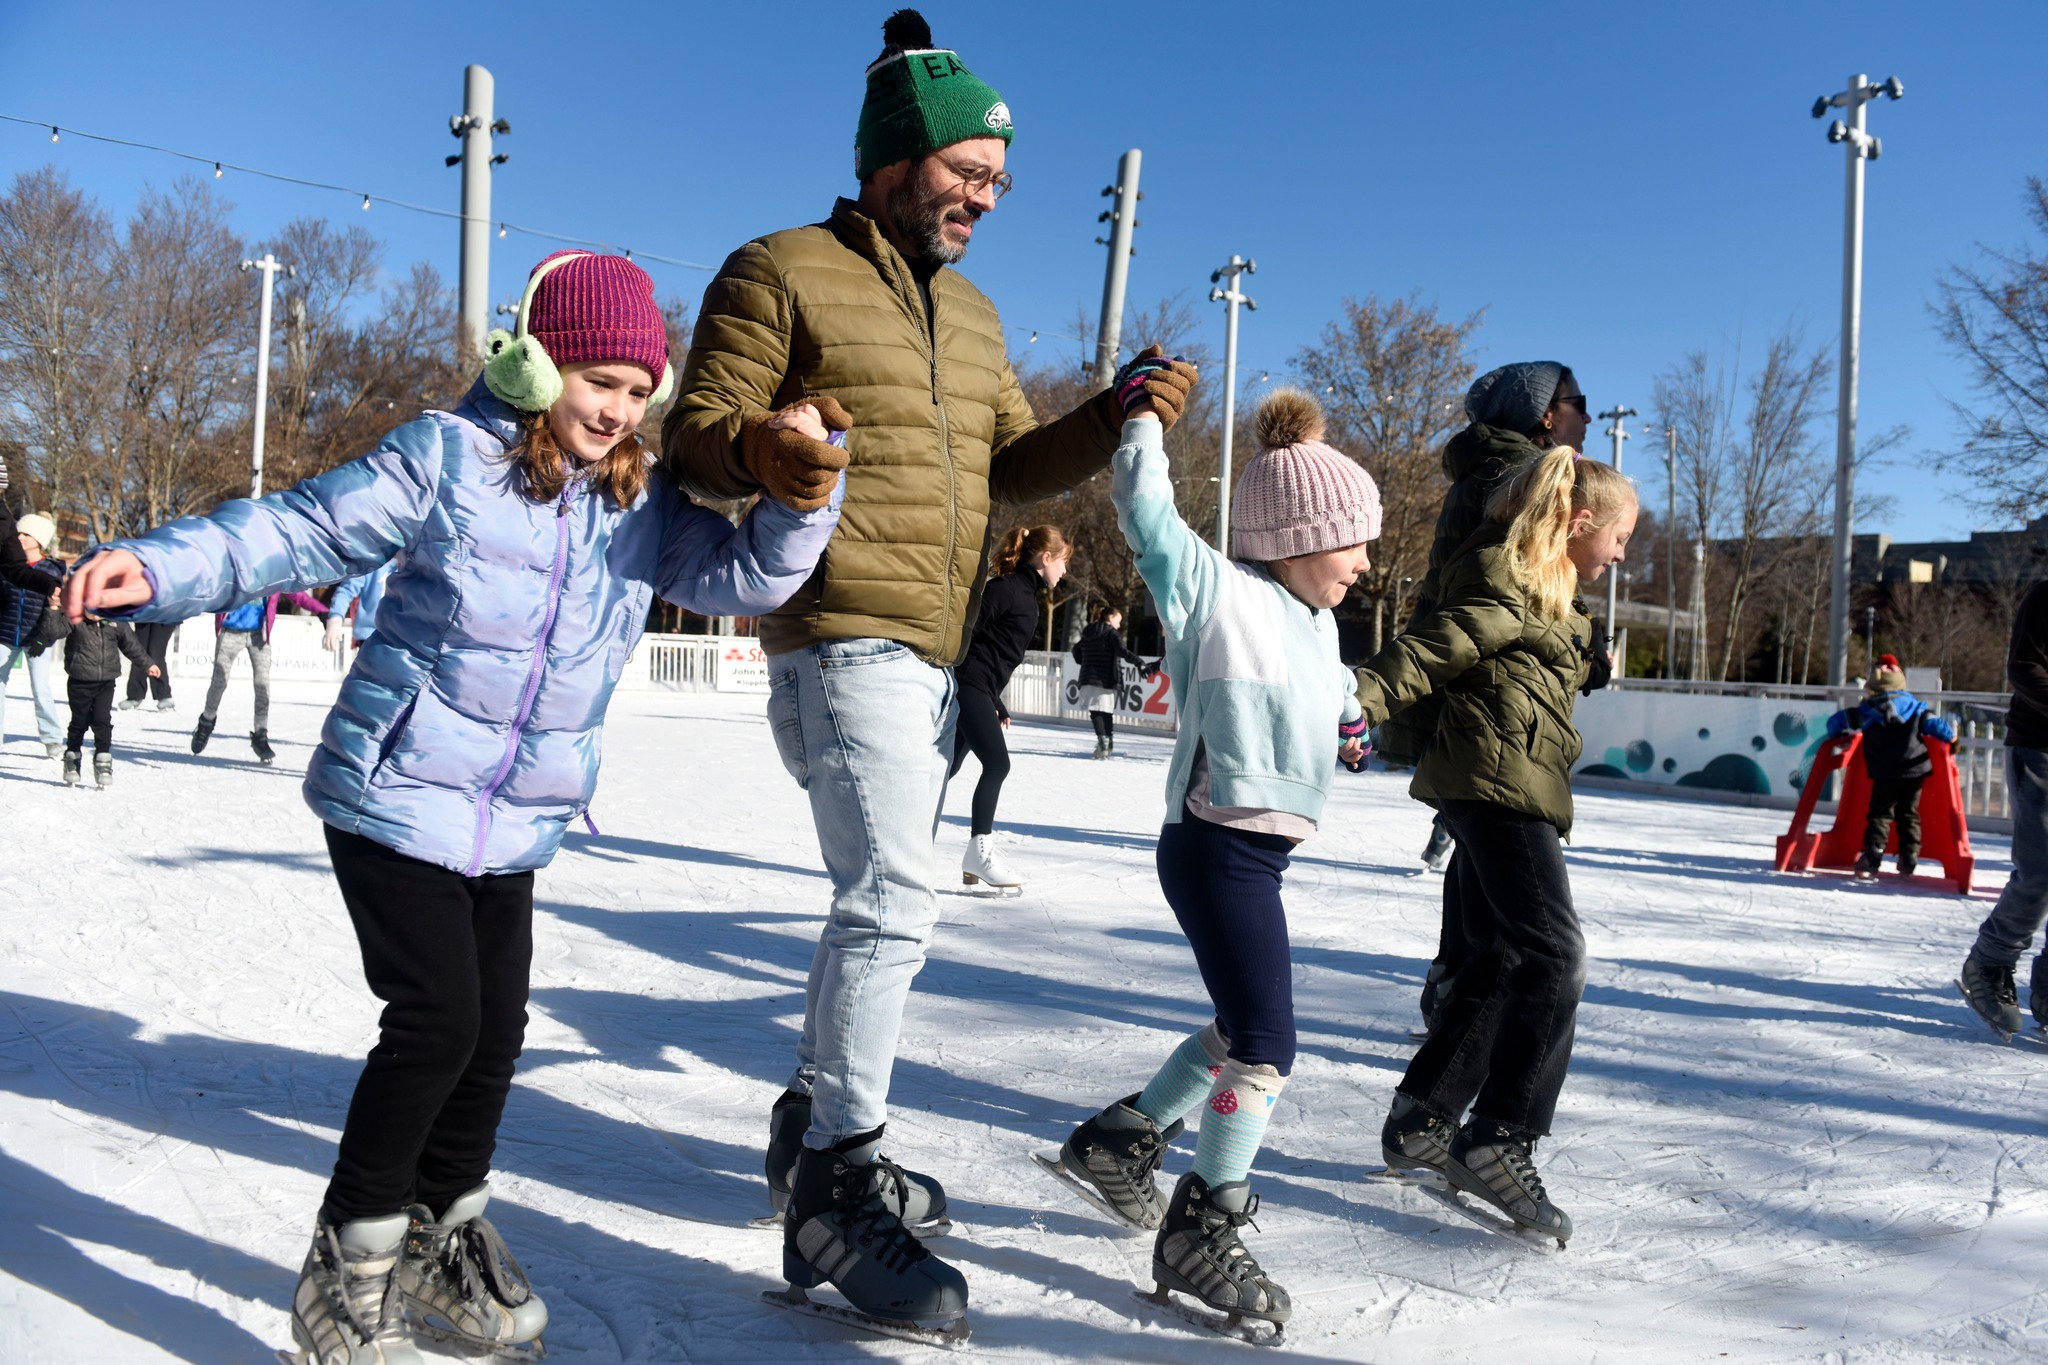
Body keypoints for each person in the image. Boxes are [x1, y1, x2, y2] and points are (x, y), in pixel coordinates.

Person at [65, 249, 843, 1365]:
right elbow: (300, 531)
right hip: (393, 792)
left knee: (495, 1034)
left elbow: (746, 582)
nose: (616, 411)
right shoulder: (445, 458)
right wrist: (162, 566)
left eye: (637, 391)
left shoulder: (639, 498)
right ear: (534, 363)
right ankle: (351, 1265)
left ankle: (440, 1237)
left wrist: (805, 490)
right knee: (436, 1022)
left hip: (513, 814)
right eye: (595, 381)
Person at [661, 8, 1196, 1332]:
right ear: (900, 160)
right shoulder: (777, 269)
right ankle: (838, 1191)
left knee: (882, 895)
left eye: (998, 183)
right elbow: (696, 439)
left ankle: (809, 1124)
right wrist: (767, 458)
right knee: (896, 892)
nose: (986, 199)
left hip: (936, 640)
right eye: (969, 173)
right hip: (835, 623)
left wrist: (1111, 415)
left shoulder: (972, 310)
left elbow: (1013, 459)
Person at [1047, 388, 1375, 1338]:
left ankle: (1121, 1141)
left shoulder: (1319, 622)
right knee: (1269, 1043)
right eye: (1350, 543)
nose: (1361, 563)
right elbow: (1149, 516)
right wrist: (1141, 420)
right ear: (1298, 536)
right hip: (1214, 847)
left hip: (1255, 857)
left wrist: (1352, 722)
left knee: (1241, 1027)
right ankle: (1205, 1218)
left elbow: (1336, 683)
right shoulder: (1219, 590)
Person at [1358, 441, 1636, 1247]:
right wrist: (1355, 700)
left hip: (1509, 780)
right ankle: (1500, 1134)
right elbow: (1432, 647)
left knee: (1504, 958)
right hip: (1497, 784)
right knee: (1557, 955)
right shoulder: (1507, 585)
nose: (1621, 554)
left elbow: (1531, 660)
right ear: (1579, 522)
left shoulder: (1545, 597)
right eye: (1618, 536)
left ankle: (1424, 1115)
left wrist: (1585, 661)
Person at [1377, 363, 1591, 1032]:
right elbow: (1500, 592)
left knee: (1474, 851)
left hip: (1480, 688)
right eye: (1578, 403)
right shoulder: (1520, 476)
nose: (1588, 416)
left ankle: (1453, 986)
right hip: (1496, 693)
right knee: (1504, 875)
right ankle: (1461, 1003)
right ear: (1546, 416)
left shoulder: (1491, 469)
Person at [950, 524, 1067, 891]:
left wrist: (995, 701)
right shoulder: (1005, 590)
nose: (1064, 572)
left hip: (980, 689)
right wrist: (971, 690)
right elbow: (966, 634)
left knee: (944, 769)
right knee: (997, 764)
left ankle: (904, 844)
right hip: (969, 686)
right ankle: (978, 853)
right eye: (1062, 562)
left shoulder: (1024, 594)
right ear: (1045, 558)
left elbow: (992, 650)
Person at [1960, 585, 2048, 1038]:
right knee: (2039, 871)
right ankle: (1989, 962)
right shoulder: (2044, 597)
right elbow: (2024, 666)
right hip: (2039, 748)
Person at [1825, 653, 1956, 882]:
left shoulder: (1867, 711)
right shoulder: (1916, 708)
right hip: (1914, 769)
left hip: (1884, 770)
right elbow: (1938, 726)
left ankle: (1873, 855)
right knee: (1909, 812)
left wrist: (1839, 735)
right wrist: (1952, 740)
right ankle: (1909, 855)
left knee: (1880, 813)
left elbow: (1835, 722)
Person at [190, 588, 331, 763]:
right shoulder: (237, 564)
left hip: (259, 634)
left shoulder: (274, 572)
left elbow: (295, 593)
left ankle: (260, 735)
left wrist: (322, 611)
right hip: (230, 630)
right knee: (219, 682)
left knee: (262, 684)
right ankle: (206, 722)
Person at [37, 589, 159, 787]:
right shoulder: (74, 619)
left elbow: (132, 646)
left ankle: (103, 759)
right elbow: (53, 632)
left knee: (102, 721)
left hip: (106, 682)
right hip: (80, 681)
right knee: (79, 722)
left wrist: (148, 664)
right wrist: (52, 608)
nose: (95, 612)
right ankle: (72, 759)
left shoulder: (116, 622)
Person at [0, 511, 66, 757]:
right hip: (6, 634)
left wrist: (44, 637)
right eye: (19, 533)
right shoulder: (6, 566)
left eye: (27, 534)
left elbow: (55, 610)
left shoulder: (50, 570)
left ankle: (52, 738)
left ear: (40, 540)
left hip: (37, 637)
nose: (21, 537)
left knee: (40, 688)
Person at [1071, 603, 1155, 759]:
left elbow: (1076, 650)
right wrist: (1139, 663)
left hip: (1088, 677)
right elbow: (1123, 652)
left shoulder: (1088, 631)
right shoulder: (1112, 633)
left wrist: (1084, 661)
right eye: (1118, 620)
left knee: (1096, 711)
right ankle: (1107, 744)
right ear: (1110, 617)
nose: (1119, 624)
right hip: (1107, 678)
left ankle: (1104, 743)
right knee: (1105, 712)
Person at [324, 561, 394, 652]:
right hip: (370, 638)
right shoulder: (370, 562)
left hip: (404, 639)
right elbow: (346, 590)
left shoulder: (412, 566)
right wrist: (335, 618)